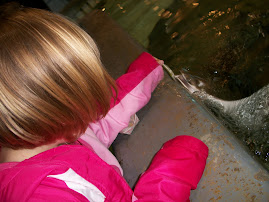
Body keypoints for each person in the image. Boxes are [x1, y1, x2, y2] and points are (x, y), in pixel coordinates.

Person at [0, 3, 208, 201]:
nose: (93, 98)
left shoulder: (41, 133)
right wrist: (173, 173)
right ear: (57, 110)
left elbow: (99, 120)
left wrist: (146, 72)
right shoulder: (46, 194)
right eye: (86, 90)